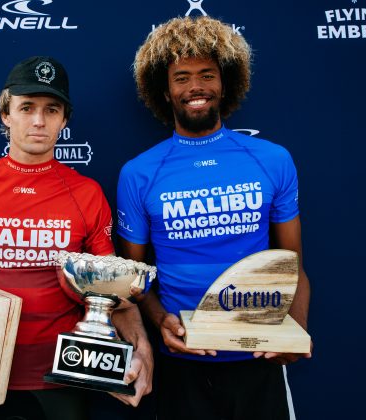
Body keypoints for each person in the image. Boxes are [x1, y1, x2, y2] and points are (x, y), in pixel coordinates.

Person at [0, 56, 152, 420]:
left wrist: (141, 350)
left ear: (64, 120)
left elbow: (112, 294)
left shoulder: (87, 194)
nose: (38, 120)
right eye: (26, 108)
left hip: (62, 375)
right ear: (6, 114)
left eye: (51, 110)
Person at [116, 16, 312, 420]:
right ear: (165, 91)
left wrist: (297, 332)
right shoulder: (140, 172)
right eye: (181, 77)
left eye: (207, 74)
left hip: (258, 358)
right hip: (182, 361)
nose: (195, 88)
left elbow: (294, 265)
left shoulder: (272, 159)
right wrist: (160, 320)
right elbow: (132, 277)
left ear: (226, 82)